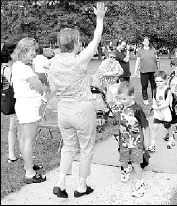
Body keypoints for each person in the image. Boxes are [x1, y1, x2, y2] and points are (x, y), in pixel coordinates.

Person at [47, 2, 107, 198]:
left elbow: (53, 89)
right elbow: (97, 39)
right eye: (79, 41)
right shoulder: (78, 60)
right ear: (75, 43)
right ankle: (82, 186)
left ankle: (61, 181)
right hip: (82, 110)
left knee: (68, 146)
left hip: (63, 110)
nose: (81, 44)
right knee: (86, 148)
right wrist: (99, 18)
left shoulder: (52, 63)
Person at [11, 38, 46, 184]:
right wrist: (38, 84)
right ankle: (30, 173)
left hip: (23, 106)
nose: (34, 53)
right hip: (28, 108)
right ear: (25, 50)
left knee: (24, 138)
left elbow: (35, 83)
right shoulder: (24, 68)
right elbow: (39, 86)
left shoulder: (18, 65)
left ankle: (29, 164)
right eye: (33, 51)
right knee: (28, 140)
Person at [115, 81, 150, 198]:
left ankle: (141, 184)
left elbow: (146, 125)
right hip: (124, 141)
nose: (121, 101)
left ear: (132, 96)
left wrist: (147, 140)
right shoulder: (121, 106)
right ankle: (126, 169)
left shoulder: (137, 109)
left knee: (136, 163)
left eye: (124, 99)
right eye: (119, 99)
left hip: (136, 142)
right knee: (123, 160)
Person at [1, 43, 23, 163]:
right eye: (15, 52)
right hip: (13, 100)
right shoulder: (7, 69)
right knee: (15, 127)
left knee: (14, 127)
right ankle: (14, 154)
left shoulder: (5, 67)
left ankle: (14, 154)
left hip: (9, 100)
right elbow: (15, 86)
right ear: (10, 54)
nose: (17, 54)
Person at [150, 70, 174, 151]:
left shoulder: (168, 91)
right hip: (157, 112)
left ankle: (171, 139)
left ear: (165, 81)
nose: (159, 83)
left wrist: (157, 109)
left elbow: (166, 104)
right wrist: (156, 109)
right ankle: (152, 144)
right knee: (155, 127)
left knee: (167, 126)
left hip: (166, 111)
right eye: (157, 81)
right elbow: (154, 101)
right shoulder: (155, 90)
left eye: (161, 81)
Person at [134, 37, 158, 105]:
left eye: (147, 41)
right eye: (145, 41)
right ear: (143, 42)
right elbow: (138, 61)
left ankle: (155, 98)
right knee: (144, 85)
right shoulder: (140, 50)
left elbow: (156, 59)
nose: (146, 42)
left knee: (154, 85)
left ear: (149, 42)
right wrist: (135, 70)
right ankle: (145, 99)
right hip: (144, 71)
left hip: (153, 70)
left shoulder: (153, 49)